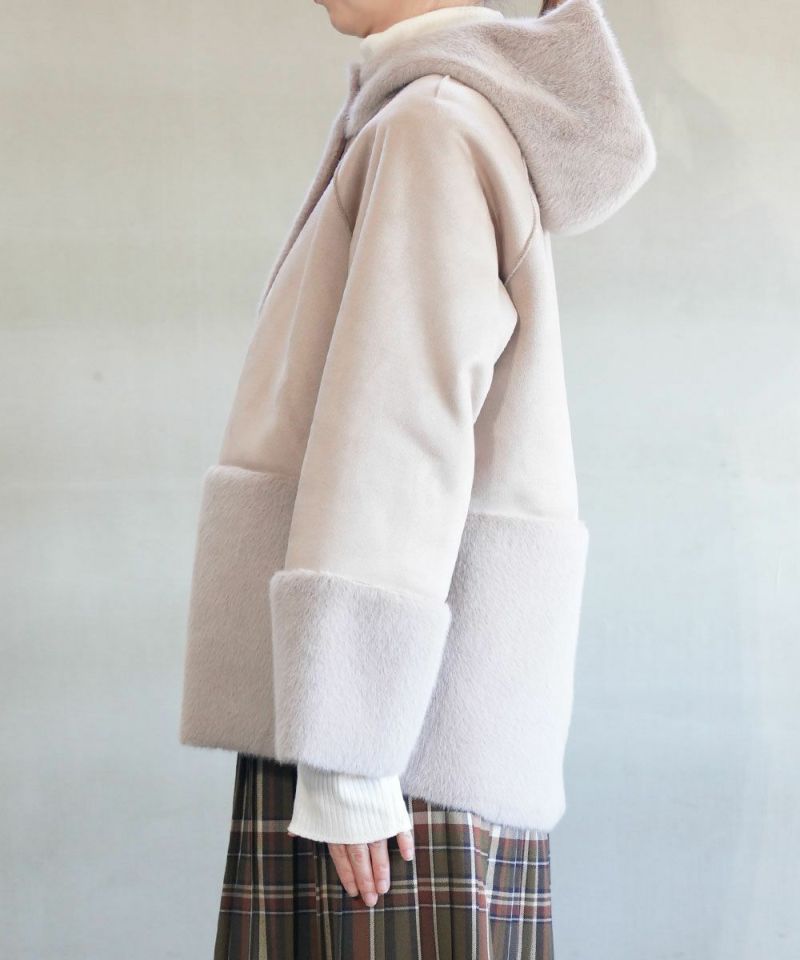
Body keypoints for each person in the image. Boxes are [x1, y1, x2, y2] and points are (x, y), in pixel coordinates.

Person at [178, 0, 656, 955]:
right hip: (412, 727)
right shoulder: (430, 114)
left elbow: (398, 428)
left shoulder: (430, 123)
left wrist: (348, 755)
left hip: (391, 743)